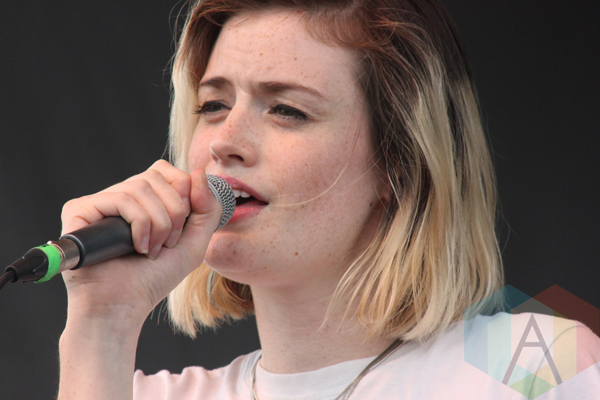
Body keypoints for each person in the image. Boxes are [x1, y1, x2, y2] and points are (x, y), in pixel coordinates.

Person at [57, 1, 600, 399]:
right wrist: (103, 322)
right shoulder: (135, 393)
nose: (225, 141)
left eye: (287, 110)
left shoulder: (537, 355)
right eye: (214, 105)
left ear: (400, 164)